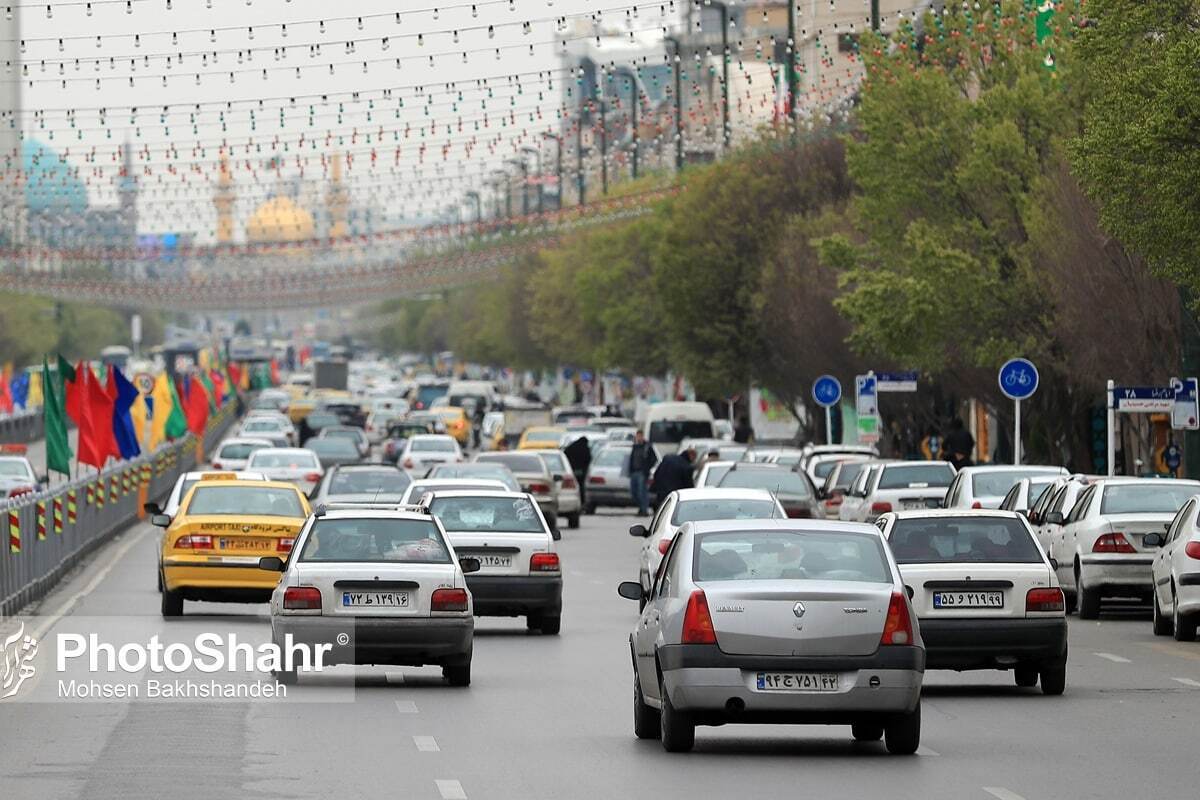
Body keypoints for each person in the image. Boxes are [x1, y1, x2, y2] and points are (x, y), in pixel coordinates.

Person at [628, 431, 658, 516]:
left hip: (642, 473)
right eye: (637, 436)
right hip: (634, 472)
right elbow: (632, 458)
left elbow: (654, 459)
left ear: (642, 436)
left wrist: (647, 468)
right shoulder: (635, 446)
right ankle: (641, 507)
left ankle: (644, 510)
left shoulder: (647, 447)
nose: (638, 438)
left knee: (642, 492)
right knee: (634, 492)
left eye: (640, 436)